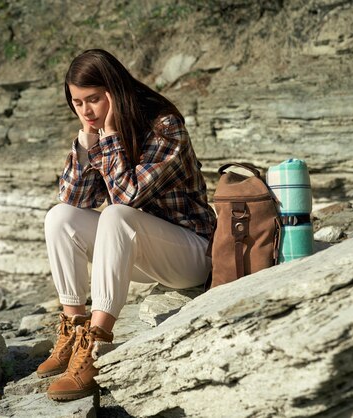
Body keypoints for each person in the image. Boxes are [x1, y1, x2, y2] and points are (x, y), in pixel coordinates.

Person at [38, 49, 216, 401]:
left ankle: (96, 345)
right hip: (141, 251)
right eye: (77, 103)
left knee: (116, 215)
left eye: (94, 99)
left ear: (115, 92)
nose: (86, 111)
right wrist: (86, 145)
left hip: (192, 255)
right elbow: (74, 200)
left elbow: (125, 197)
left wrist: (109, 137)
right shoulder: (97, 133)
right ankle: (74, 330)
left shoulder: (165, 126)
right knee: (59, 217)